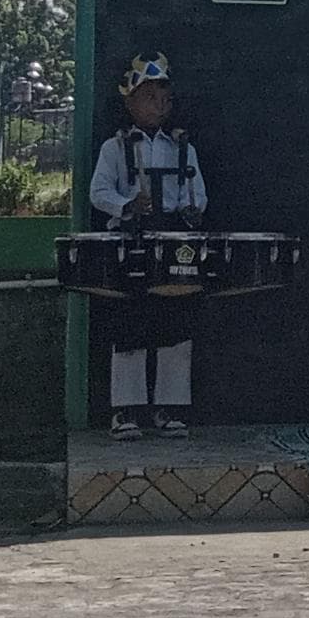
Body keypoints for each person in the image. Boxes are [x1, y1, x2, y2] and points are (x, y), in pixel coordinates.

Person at [86, 52, 208, 436]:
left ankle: (170, 409)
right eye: (150, 97)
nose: (159, 106)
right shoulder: (115, 147)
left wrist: (192, 210)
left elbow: (198, 193)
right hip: (132, 238)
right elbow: (98, 191)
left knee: (175, 319)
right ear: (130, 102)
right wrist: (127, 205)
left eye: (164, 99)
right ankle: (127, 410)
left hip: (174, 239)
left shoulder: (182, 148)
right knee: (130, 323)